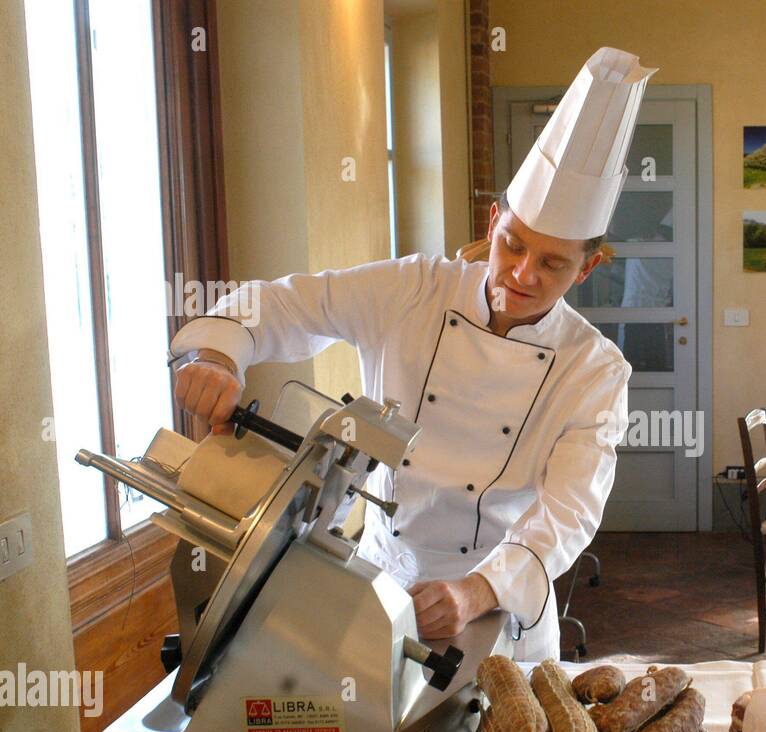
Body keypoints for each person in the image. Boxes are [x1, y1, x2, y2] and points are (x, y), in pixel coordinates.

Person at [167, 47, 656, 662]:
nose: (522, 273)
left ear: (587, 269)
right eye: (512, 245)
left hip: (499, 606)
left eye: (554, 262)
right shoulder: (412, 290)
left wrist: (478, 590)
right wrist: (215, 353)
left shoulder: (595, 370)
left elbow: (569, 514)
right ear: (494, 218)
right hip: (377, 586)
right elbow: (286, 305)